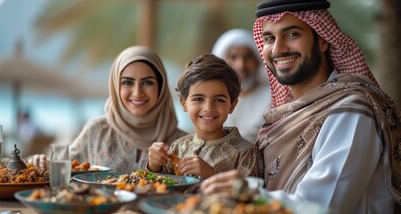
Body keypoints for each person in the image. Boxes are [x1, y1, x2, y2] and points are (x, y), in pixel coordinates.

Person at [200, 0, 401, 213]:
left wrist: (247, 192)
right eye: (269, 38)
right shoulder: (283, 114)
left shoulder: (350, 111)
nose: (278, 49)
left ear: (323, 40)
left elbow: (321, 207)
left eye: (292, 34)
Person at [31, 46, 186, 172]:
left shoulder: (183, 143)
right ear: (115, 86)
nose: (137, 92)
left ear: (161, 86)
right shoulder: (97, 131)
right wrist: (40, 163)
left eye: (147, 82)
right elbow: (62, 168)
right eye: (127, 82)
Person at [147, 54, 259, 179]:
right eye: (198, 99)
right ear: (184, 104)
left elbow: (252, 193)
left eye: (219, 100)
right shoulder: (177, 148)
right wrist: (154, 166)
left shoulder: (245, 152)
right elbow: (160, 187)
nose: (208, 108)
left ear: (232, 105)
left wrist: (212, 175)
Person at [212, 29, 271, 143]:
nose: (241, 65)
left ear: (258, 61)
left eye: (247, 57)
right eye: (233, 57)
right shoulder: (214, 98)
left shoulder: (272, 97)